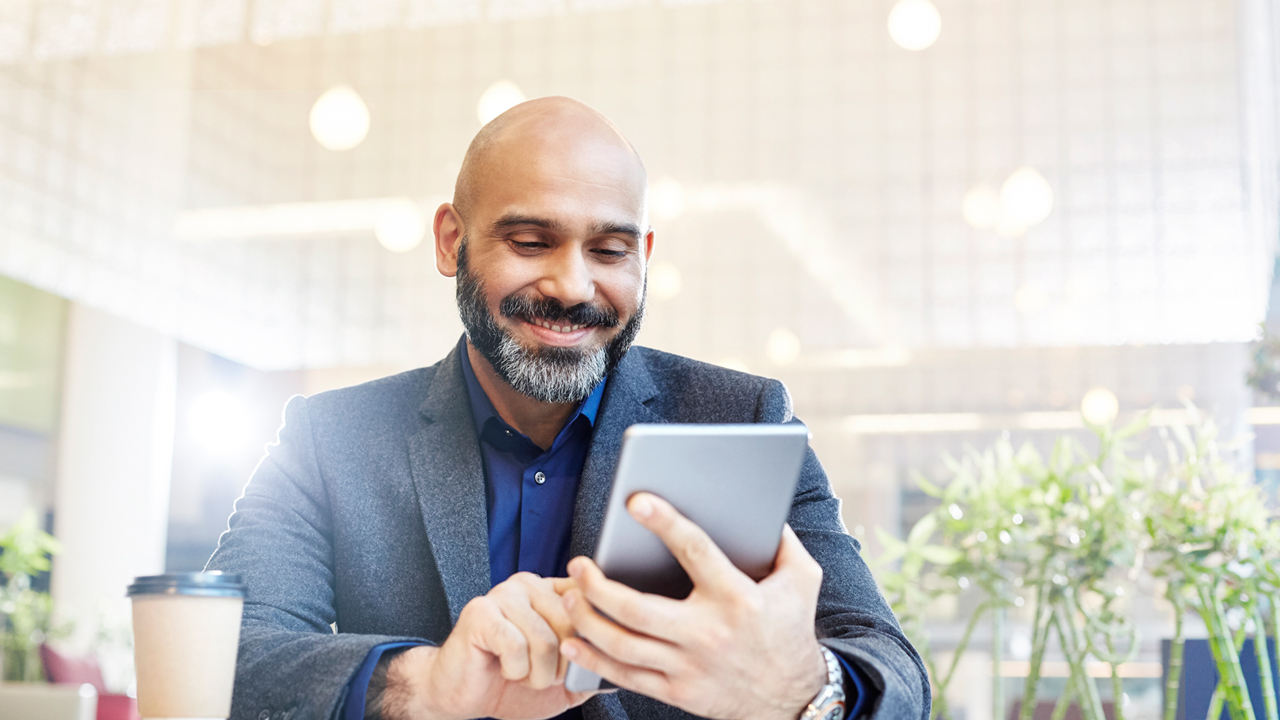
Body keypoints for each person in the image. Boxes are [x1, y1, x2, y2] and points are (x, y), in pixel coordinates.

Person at [206, 97, 929, 720]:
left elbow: (892, 670)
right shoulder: (329, 439)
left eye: (610, 250)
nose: (571, 284)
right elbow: (220, 657)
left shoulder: (743, 416)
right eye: (530, 242)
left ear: (644, 256)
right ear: (452, 241)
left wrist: (802, 688)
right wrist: (427, 685)